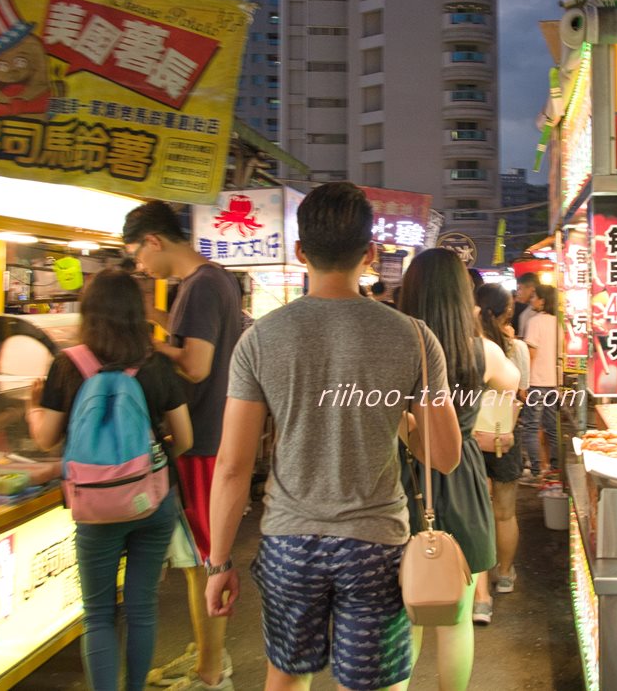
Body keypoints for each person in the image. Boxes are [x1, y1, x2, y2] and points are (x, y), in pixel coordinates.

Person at [204, 182, 461, 691]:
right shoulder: (413, 337)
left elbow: (232, 467)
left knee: (285, 676)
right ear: (369, 254)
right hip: (375, 545)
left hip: (288, 541)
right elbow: (447, 457)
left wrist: (219, 562)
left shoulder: (259, 339)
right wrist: (394, 414)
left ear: (301, 252)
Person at [27, 268, 193, 691]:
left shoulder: (67, 365)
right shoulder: (155, 364)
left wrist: (33, 407)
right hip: (152, 503)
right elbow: (186, 439)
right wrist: (148, 463)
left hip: (94, 506)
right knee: (141, 607)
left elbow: (47, 440)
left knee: (98, 613)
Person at [122, 201, 244, 690]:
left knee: (203, 562)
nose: (140, 265)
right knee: (203, 558)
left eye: (137, 254)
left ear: (154, 240)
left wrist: (148, 348)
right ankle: (207, 653)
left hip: (204, 441)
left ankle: (211, 673)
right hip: (213, 434)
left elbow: (195, 365)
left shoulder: (200, 287)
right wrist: (150, 315)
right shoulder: (208, 284)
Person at [398, 248, 511, 689]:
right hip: (461, 478)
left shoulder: (397, 345)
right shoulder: (480, 351)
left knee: (402, 615)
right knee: (456, 616)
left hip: (404, 483)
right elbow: (513, 383)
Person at [471, 283, 528, 626]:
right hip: (503, 435)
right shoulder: (515, 348)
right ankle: (504, 574)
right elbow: (521, 394)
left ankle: (480, 598)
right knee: (505, 513)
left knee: (477, 511)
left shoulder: (469, 348)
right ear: (507, 311)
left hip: (470, 436)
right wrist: (504, 430)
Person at [525, 284, 561, 478]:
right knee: (552, 428)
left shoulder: (535, 322)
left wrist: (525, 381)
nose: (532, 300)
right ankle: (555, 468)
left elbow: (531, 354)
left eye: (534, 296)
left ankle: (537, 470)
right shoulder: (559, 322)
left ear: (543, 301)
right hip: (553, 383)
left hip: (536, 382)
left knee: (531, 427)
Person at [511, 272, 540, 337]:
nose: (518, 293)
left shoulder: (532, 314)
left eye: (520, 288)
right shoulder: (526, 312)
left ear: (532, 289)